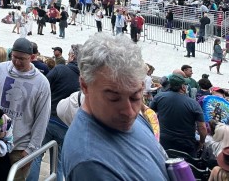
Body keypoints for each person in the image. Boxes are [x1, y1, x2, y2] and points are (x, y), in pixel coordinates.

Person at [61, 33, 168, 180]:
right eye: (114, 98)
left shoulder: (131, 119)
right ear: (84, 86)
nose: (129, 112)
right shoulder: (90, 164)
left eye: (135, 96)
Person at [0, 36, 51, 181]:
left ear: (32, 57)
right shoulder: (0, 70)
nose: (17, 62)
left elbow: (42, 118)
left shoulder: (41, 83)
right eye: (14, 57)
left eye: (22, 59)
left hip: (19, 147)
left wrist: (31, 150)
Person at [27, 44, 80, 181]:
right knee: (58, 163)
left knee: (36, 156)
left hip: (48, 119)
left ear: (72, 56)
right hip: (66, 125)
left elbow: (42, 86)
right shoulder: (84, 79)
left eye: (69, 55)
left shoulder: (60, 69)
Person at [150, 72, 206, 157]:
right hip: (186, 146)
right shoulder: (193, 103)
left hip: (163, 143)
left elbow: (149, 114)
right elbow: (202, 127)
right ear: (183, 87)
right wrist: (202, 142)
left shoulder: (159, 97)